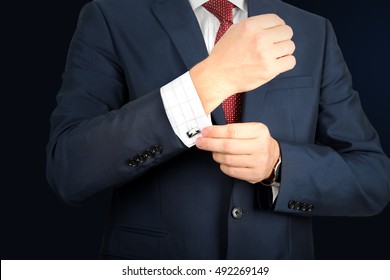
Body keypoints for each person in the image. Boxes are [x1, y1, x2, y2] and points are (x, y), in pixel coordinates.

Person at [46, 0, 390, 259]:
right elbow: (69, 170)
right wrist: (208, 82)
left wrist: (279, 165)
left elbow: (371, 178)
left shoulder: (313, 30)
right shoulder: (110, 16)